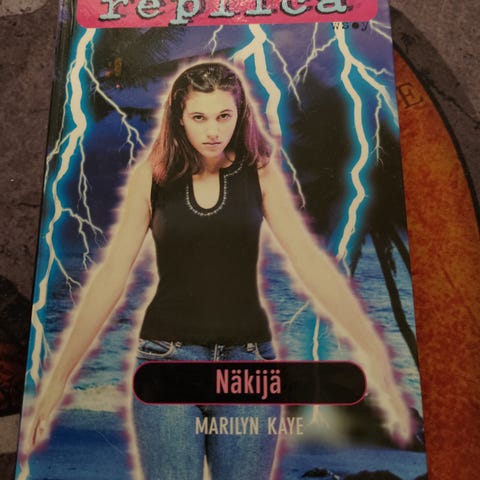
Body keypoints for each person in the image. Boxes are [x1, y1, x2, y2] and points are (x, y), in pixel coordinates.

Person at [26, 61, 412, 479]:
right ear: (179, 116)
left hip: (249, 366)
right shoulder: (152, 176)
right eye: (199, 117)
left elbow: (311, 264)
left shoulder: (259, 173)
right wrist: (57, 380)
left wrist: (375, 356)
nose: (213, 131)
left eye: (224, 116)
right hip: (166, 362)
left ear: (240, 114)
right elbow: (111, 276)